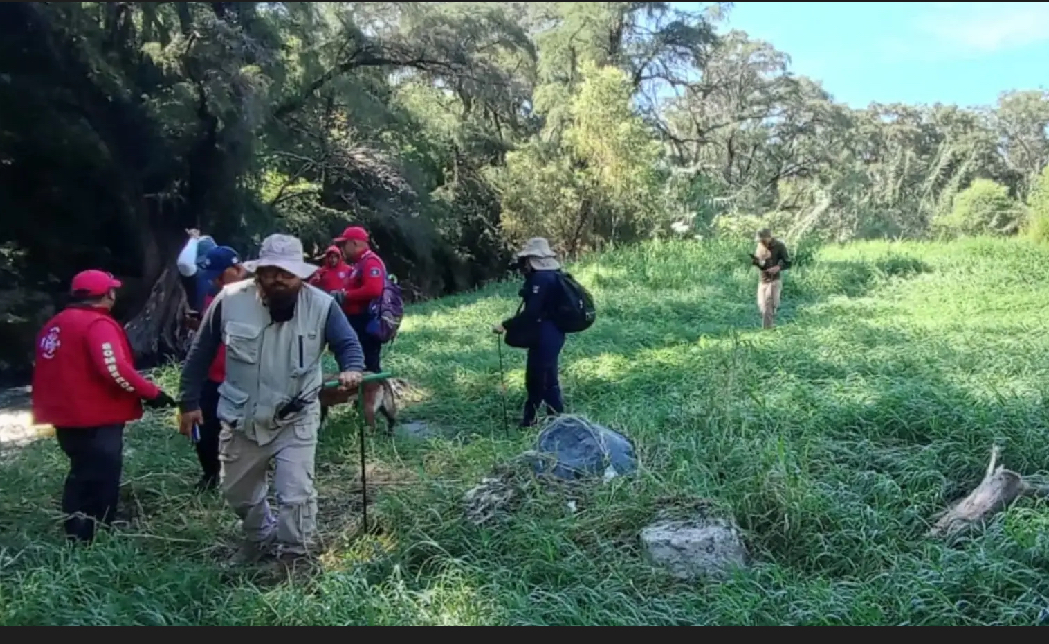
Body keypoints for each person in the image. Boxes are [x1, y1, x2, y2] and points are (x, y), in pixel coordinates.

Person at [177, 234, 365, 564]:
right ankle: (260, 536)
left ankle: (296, 555)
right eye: (270, 272)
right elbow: (200, 353)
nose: (278, 280)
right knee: (237, 492)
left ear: (301, 276)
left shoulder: (322, 306)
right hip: (242, 416)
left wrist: (352, 369)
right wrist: (189, 402)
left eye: (286, 274)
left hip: (297, 415)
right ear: (258, 272)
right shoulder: (229, 300)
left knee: (295, 494)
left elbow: (349, 345)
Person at [31, 270, 176, 544]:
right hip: (96, 415)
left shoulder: (55, 324)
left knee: (81, 471)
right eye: (112, 291)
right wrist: (151, 392)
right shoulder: (97, 324)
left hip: (65, 416)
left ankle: (77, 530)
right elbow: (114, 368)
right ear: (106, 294)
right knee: (101, 474)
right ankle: (96, 532)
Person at [189, 245, 248, 492]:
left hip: (244, 376)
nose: (214, 279)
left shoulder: (256, 294)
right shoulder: (213, 293)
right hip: (212, 373)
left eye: (219, 274)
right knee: (204, 427)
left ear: (236, 269)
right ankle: (211, 474)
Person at [492, 238, 566, 428]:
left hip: (544, 334)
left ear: (532, 260)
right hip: (555, 333)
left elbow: (531, 313)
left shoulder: (540, 280)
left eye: (526, 260)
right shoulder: (555, 275)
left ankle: (530, 421)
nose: (523, 265)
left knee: (536, 380)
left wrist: (505, 325)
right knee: (549, 378)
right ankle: (555, 420)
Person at [332, 226, 386, 374]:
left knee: (368, 364)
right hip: (358, 320)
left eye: (344, 244)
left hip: (366, 321)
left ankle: (373, 394)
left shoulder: (370, 262)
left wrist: (345, 295)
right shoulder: (360, 263)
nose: (341, 248)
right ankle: (360, 395)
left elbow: (374, 289)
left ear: (354, 243)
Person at [176, 228, 219, 330]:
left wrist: (194, 239)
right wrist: (194, 239)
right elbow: (185, 264)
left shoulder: (227, 282)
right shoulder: (199, 277)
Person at [752, 228, 791, 329]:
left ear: (769, 237)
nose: (762, 241)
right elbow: (759, 265)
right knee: (762, 305)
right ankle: (771, 325)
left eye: (763, 239)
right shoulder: (760, 246)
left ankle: (767, 329)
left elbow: (788, 263)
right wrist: (758, 262)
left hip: (774, 280)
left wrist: (778, 267)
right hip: (763, 280)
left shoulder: (779, 246)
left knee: (768, 305)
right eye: (760, 239)